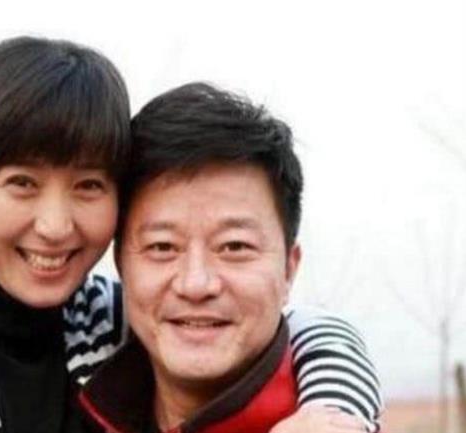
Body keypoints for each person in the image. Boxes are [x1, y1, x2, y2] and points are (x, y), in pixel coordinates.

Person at [0, 38, 381, 433]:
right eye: (22, 184)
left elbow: (305, 327)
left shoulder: (98, 315)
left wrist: (332, 412)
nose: (55, 225)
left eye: (88, 186)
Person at [79, 83, 382, 433]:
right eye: (162, 247)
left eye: (234, 246)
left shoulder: (328, 419)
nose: (196, 284)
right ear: (121, 264)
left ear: (288, 269)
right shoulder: (73, 390)